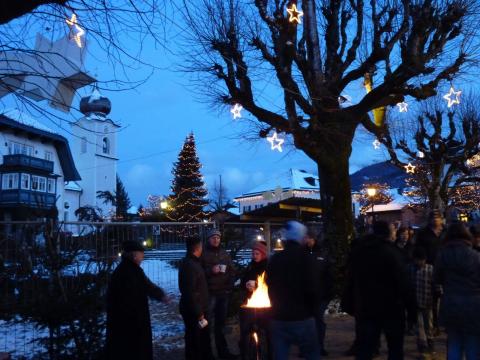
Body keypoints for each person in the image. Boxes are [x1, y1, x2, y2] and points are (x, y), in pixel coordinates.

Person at [343, 221, 415, 360]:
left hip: (366, 307)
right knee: (395, 349)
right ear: (388, 233)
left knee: (365, 349)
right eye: (394, 231)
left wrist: (350, 303)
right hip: (392, 308)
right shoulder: (393, 253)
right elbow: (404, 282)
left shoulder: (359, 251)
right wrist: (411, 309)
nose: (396, 233)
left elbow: (350, 278)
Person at [105, 240, 168, 360]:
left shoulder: (133, 270)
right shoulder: (125, 272)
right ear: (134, 254)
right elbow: (127, 299)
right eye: (141, 253)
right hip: (129, 325)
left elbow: (147, 285)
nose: (143, 257)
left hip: (133, 322)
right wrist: (160, 295)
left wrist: (160, 295)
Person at [266, 221, 320, 360]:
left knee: (280, 355)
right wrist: (313, 311)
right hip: (302, 317)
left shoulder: (275, 258)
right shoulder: (307, 258)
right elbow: (313, 287)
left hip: (278, 317)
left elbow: (269, 284)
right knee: (311, 353)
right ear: (301, 237)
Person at [434, 222, 480, 360]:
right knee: (472, 342)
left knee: (454, 341)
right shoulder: (475, 256)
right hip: (473, 304)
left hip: (451, 302)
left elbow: (437, 278)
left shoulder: (442, 255)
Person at [201, 229, 236, 359]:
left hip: (223, 293)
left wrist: (230, 286)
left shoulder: (224, 254)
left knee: (221, 325)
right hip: (210, 294)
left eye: (218, 237)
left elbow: (232, 270)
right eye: (213, 237)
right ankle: (207, 353)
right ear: (208, 239)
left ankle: (223, 352)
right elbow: (199, 274)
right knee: (207, 324)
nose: (216, 240)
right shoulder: (203, 254)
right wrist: (211, 270)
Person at [178, 236, 213, 360]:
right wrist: (199, 313)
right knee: (195, 340)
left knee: (199, 339)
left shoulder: (193, 262)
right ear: (198, 248)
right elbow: (190, 292)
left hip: (196, 309)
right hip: (194, 311)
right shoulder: (190, 266)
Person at [239, 241, 270, 360]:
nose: (254, 256)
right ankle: (248, 353)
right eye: (253, 253)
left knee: (263, 332)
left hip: (264, 304)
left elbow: (270, 284)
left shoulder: (268, 267)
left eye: (257, 254)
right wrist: (246, 284)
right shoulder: (250, 266)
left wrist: (257, 285)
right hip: (250, 303)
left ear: (262, 254)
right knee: (247, 332)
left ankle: (264, 354)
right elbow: (243, 282)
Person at [305, 231, 334, 356]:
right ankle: (306, 347)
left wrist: (327, 292)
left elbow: (329, 275)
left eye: (310, 239)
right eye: (306, 238)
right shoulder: (302, 254)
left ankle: (319, 346)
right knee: (307, 321)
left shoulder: (322, 254)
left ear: (314, 239)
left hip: (321, 295)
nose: (308, 241)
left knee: (318, 320)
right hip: (306, 295)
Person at [408, 247, 435, 353]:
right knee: (419, 326)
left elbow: (435, 284)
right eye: (417, 260)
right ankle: (422, 345)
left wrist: (436, 295)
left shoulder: (430, 269)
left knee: (429, 324)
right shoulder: (410, 268)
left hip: (428, 302)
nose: (419, 262)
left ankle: (430, 343)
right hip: (415, 303)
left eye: (421, 260)